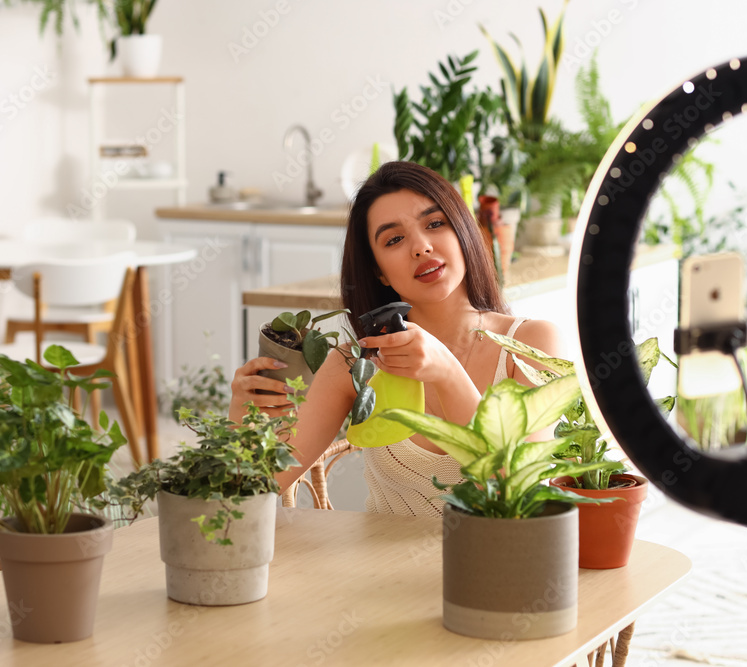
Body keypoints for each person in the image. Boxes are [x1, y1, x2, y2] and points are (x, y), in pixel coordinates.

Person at [229, 161, 560, 516]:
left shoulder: (531, 343)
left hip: (500, 568)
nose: (420, 247)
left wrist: (446, 373)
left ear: (464, 232)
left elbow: (517, 491)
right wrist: (241, 413)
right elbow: (251, 489)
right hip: (384, 571)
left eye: (435, 224)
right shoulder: (354, 364)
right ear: (379, 272)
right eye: (394, 239)